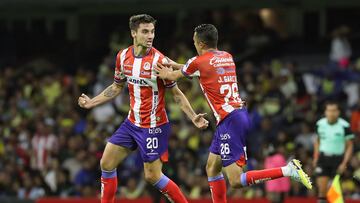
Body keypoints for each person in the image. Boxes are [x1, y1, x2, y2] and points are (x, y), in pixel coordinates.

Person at [155, 24, 312, 203]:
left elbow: (175, 76)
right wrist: (175, 64)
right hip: (235, 116)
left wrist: (165, 71)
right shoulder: (227, 57)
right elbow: (198, 68)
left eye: (194, 42)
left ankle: (288, 170)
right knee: (212, 168)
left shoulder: (198, 62)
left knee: (236, 181)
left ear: (200, 43)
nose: (194, 44)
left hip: (230, 121)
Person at [78, 14, 209, 203]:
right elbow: (116, 87)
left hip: (154, 126)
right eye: (145, 32)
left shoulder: (160, 61)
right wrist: (92, 102)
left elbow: (177, 94)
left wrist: (193, 116)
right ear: (134, 33)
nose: (150, 36)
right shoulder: (122, 57)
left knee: (152, 176)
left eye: (152, 32)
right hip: (132, 123)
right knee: (106, 162)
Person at [313, 101, 354, 203]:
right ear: (325, 112)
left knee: (335, 190)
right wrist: (316, 157)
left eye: (334, 110)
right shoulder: (320, 124)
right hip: (323, 158)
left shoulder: (344, 125)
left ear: (338, 112)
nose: (331, 113)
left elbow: (349, 146)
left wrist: (344, 163)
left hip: (338, 160)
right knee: (322, 190)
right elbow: (317, 141)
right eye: (329, 110)